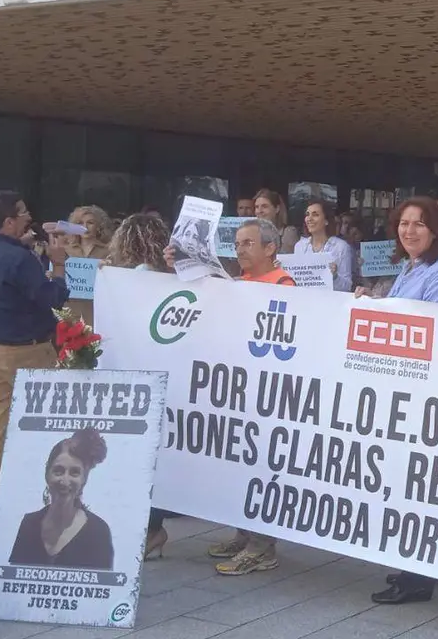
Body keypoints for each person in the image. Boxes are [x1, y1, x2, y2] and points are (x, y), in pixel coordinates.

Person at [164, 218, 296, 574]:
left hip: (264, 393)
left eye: (248, 244)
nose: (240, 250)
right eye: (237, 244)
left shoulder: (283, 284)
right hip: (236, 389)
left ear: (271, 249)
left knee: (260, 465)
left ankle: (262, 546)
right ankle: (244, 532)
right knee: (238, 463)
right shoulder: (242, 281)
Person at [365, 197, 438, 605]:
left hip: (430, 394)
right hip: (405, 391)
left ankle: (421, 575)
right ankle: (413, 563)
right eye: (403, 223)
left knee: (422, 485)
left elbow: (435, 335)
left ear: (436, 231)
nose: (409, 231)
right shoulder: (411, 268)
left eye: (419, 224)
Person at [0, 191, 70, 502]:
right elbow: (53, 299)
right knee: (47, 420)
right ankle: (45, 491)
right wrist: (59, 266)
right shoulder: (19, 260)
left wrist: (21, 249)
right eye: (22, 212)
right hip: (29, 350)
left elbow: (4, 275)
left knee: (0, 419)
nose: (28, 217)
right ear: (9, 221)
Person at [104, 213, 179, 560]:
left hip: (137, 377)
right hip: (165, 376)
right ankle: (152, 527)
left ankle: (149, 529)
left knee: (138, 457)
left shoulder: (133, 279)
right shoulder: (169, 276)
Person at [9, 428, 114, 570]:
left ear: (84, 479)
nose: (65, 481)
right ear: (47, 474)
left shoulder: (98, 531)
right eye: (58, 471)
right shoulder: (29, 523)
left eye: (74, 473)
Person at [63, 205, 112, 328]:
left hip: (98, 308)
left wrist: (108, 269)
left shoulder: (109, 251)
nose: (85, 227)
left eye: (90, 223)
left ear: (99, 226)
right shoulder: (64, 250)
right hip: (71, 307)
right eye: (80, 223)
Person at [297, 201, 354, 292]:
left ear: (326, 221)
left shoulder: (341, 247)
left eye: (315, 215)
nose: (309, 218)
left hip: (330, 303)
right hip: (305, 302)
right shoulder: (300, 246)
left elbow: (347, 287)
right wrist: (283, 267)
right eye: (307, 214)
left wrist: (334, 277)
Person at [253, 189, 300, 254]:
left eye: (264, 206)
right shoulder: (254, 233)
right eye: (257, 207)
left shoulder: (288, 232)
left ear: (277, 209)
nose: (259, 211)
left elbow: (284, 260)